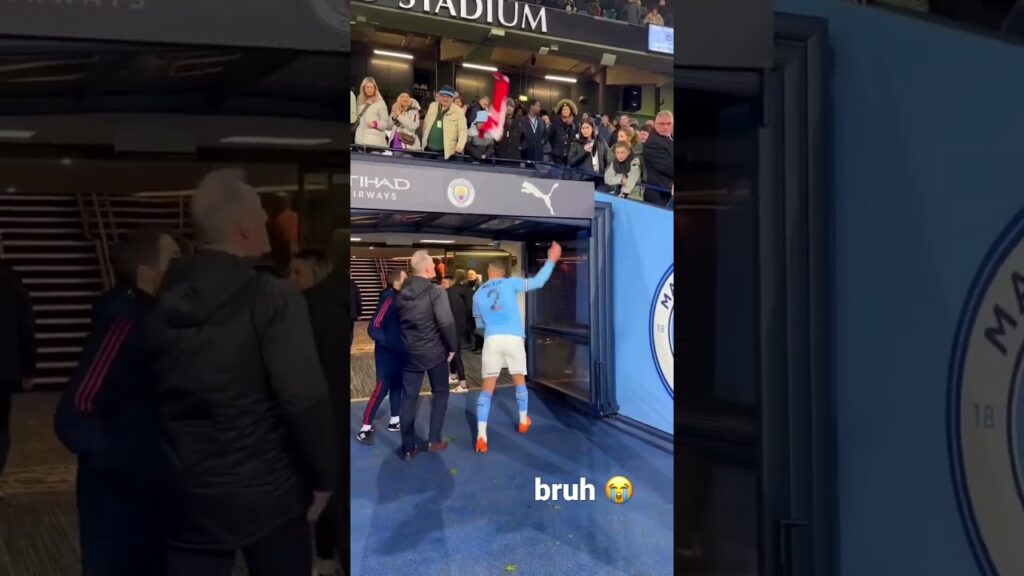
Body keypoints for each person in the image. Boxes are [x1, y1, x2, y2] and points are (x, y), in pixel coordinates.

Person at [147, 169, 337, 575]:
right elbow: (303, 399)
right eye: (262, 215)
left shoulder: (161, 300)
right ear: (246, 228)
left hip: (184, 493)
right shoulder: (273, 297)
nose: (269, 222)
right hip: (269, 495)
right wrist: (324, 476)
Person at [54, 229, 180, 576]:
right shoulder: (124, 321)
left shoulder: (158, 318)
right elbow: (74, 411)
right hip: (117, 494)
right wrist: (128, 459)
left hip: (149, 485)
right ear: (146, 272)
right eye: (172, 259)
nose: (182, 267)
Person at [472, 242, 561, 453]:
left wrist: (492, 329)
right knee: (519, 380)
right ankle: (523, 421)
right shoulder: (510, 283)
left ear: (489, 272)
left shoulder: (477, 294)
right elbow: (539, 282)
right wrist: (551, 260)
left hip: (492, 339)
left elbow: (479, 325)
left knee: (487, 387)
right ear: (503, 272)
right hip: (513, 338)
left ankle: (481, 435)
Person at [303, 238, 351, 576]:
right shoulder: (337, 300)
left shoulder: (310, 305)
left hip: (320, 411)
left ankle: (325, 555)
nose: (289, 279)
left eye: (297, 272)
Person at [395, 251, 458, 460]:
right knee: (441, 393)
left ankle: (408, 448)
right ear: (428, 268)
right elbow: (446, 322)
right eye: (433, 264)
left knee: (408, 399)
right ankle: (434, 440)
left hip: (409, 353)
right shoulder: (436, 291)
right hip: (434, 353)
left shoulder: (401, 293)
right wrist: (453, 347)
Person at [358, 268, 407, 444]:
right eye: (405, 277)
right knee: (381, 388)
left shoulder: (401, 297)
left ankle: (394, 420)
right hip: (387, 354)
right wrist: (389, 343)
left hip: (399, 352)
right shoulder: (389, 298)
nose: (408, 279)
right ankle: (365, 428)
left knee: (397, 386)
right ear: (397, 282)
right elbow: (374, 327)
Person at [0, 259, 33, 489]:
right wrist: (29, 368)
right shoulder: (14, 286)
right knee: (1, 424)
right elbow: (26, 330)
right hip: (5, 370)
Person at [422, 85, 467, 160]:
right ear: (439, 96)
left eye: (448, 97)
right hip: (428, 150)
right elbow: (426, 123)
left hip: (445, 153)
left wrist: (459, 147)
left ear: (452, 98)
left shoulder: (458, 111)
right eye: (443, 96)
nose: (445, 99)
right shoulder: (432, 106)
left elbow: (463, 131)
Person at [443, 273, 470, 393]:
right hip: (459, 327)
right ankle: (453, 376)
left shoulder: (448, 295)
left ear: (450, 283)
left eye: (444, 283)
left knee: (455, 354)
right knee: (453, 352)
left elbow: (448, 314)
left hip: (453, 329)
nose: (442, 285)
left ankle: (463, 385)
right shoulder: (458, 293)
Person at [643, 110, 675, 205]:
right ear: (655, 124)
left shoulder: (670, 137)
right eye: (662, 124)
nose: (665, 127)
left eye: (668, 123)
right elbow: (669, 167)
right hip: (659, 197)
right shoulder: (652, 143)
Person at [354, 76, 391, 148]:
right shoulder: (360, 102)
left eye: (371, 87)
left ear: (375, 88)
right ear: (363, 88)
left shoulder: (380, 102)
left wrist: (375, 124)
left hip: (375, 142)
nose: (369, 89)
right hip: (359, 141)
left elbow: (386, 123)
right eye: (367, 87)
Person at [350, 273, 362, 349]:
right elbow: (359, 300)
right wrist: (359, 313)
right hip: (352, 314)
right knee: (350, 331)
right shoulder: (354, 286)